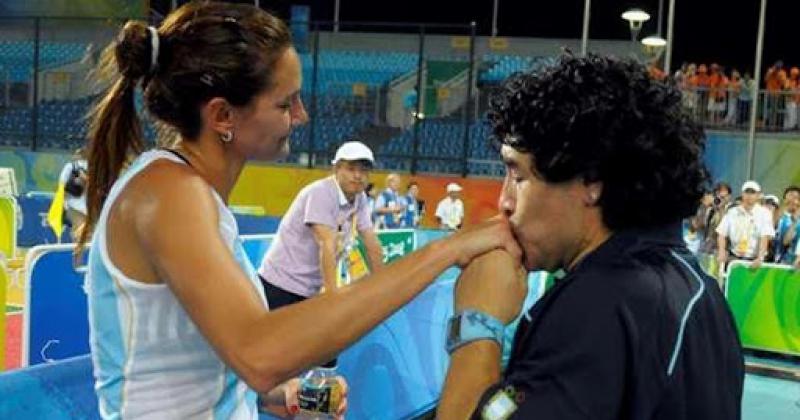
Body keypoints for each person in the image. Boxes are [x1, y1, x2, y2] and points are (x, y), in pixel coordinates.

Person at [80, 3, 520, 418]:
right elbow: (259, 354)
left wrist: (281, 395)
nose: (302, 115)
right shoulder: (169, 193)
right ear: (222, 116)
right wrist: (448, 249)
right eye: (285, 103)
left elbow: (192, 369)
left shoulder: (189, 193)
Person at [437, 54, 743, 419]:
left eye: (518, 176)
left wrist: (477, 322)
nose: (504, 202)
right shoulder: (702, 292)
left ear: (591, 181)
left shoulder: (596, 306)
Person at [258, 140, 385, 367]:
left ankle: (315, 397)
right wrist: (332, 294)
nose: (358, 176)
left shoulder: (360, 199)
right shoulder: (320, 193)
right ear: (336, 169)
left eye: (363, 170)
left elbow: (372, 243)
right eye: (351, 168)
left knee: (324, 355)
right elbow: (326, 243)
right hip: (280, 283)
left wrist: (385, 288)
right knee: (270, 356)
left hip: (310, 289)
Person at [716, 181, 775, 273]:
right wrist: (721, 251)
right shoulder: (732, 212)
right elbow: (721, 233)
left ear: (758, 195)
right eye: (747, 192)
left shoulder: (764, 213)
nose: (749, 195)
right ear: (742, 194)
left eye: (753, 192)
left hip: (754, 260)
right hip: (734, 258)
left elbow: (765, 236)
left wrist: (760, 257)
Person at [57, 147, 88, 240]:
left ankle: (77, 249)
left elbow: (61, 184)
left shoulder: (70, 166)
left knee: (78, 231)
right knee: (87, 232)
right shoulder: (95, 167)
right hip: (90, 206)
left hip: (73, 204)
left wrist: (61, 202)